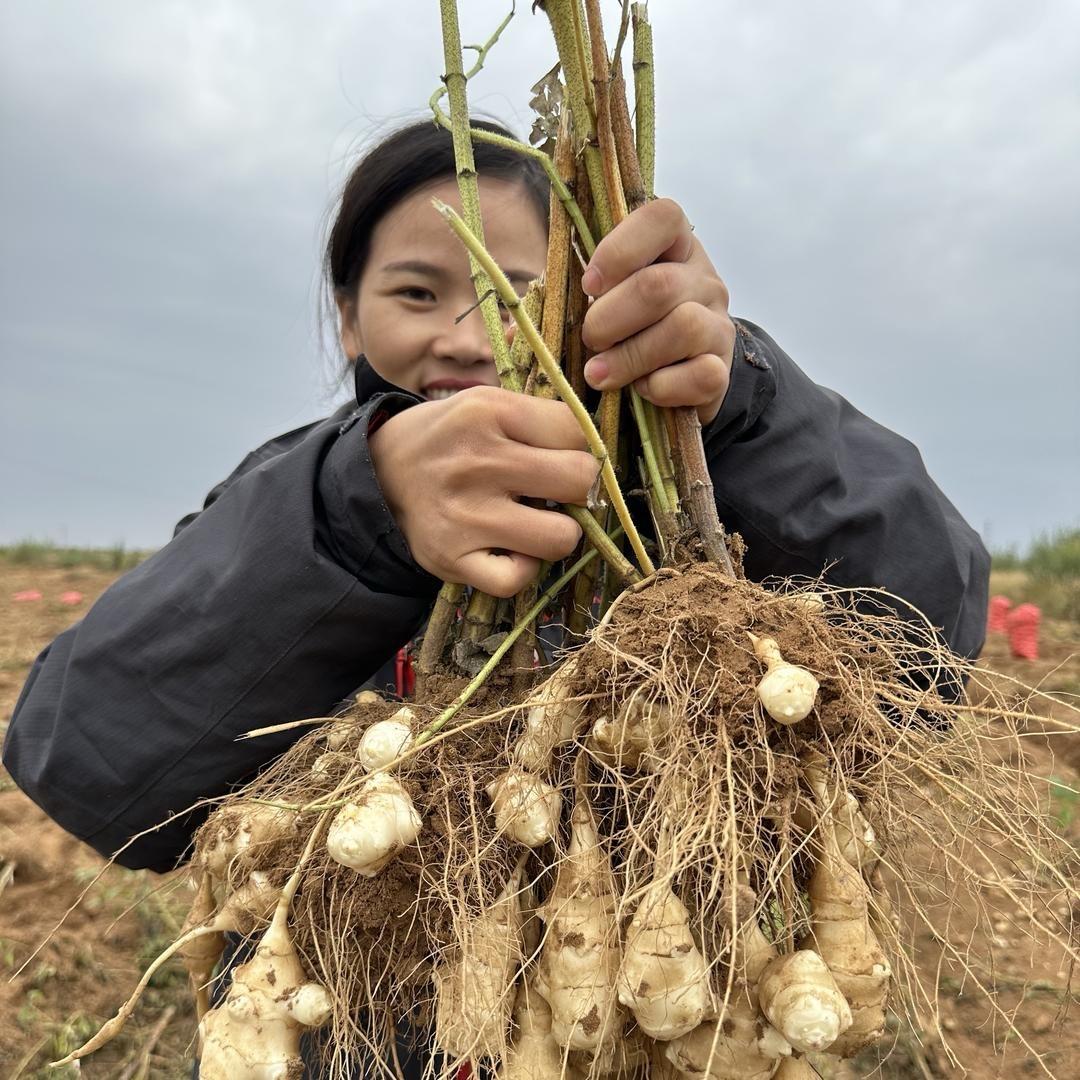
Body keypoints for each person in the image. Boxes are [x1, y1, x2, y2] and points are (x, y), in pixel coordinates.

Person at [3, 118, 990, 1075]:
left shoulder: (693, 515)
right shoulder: (297, 499)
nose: (472, 340)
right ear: (347, 314)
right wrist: (364, 508)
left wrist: (740, 410)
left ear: (586, 304)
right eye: (417, 292)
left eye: (519, 292)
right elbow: (78, 753)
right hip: (350, 1046)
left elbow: (928, 647)